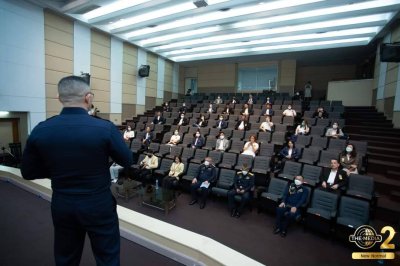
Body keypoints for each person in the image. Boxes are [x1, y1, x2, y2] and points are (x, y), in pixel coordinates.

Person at [21, 75, 133, 265]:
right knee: (107, 258)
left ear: (59, 98)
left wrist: (57, 171)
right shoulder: (105, 128)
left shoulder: (41, 129)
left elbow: (28, 172)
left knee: (66, 258)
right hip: (98, 203)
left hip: (62, 203)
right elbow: (127, 160)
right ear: (88, 98)